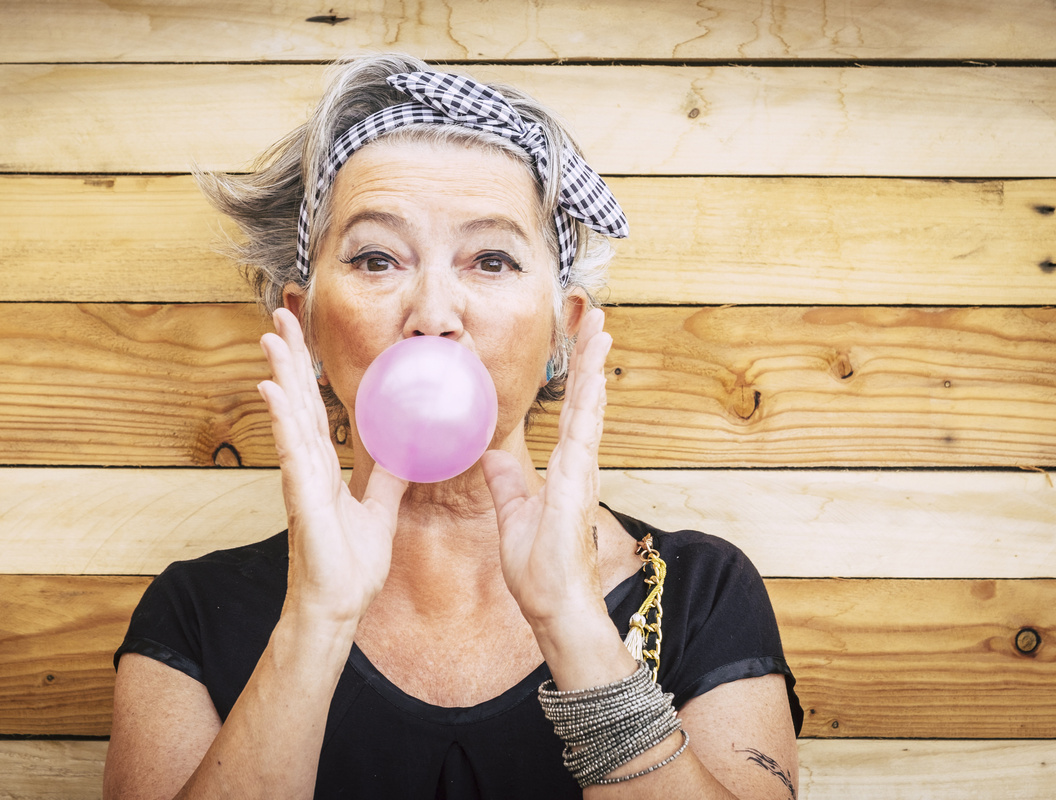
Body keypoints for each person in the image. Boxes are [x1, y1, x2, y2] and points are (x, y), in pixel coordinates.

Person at [104, 53, 803, 799]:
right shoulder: (190, 614)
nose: (434, 315)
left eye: (492, 260)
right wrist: (317, 623)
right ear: (305, 324)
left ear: (561, 334)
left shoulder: (701, 593)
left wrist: (572, 620)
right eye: (377, 258)